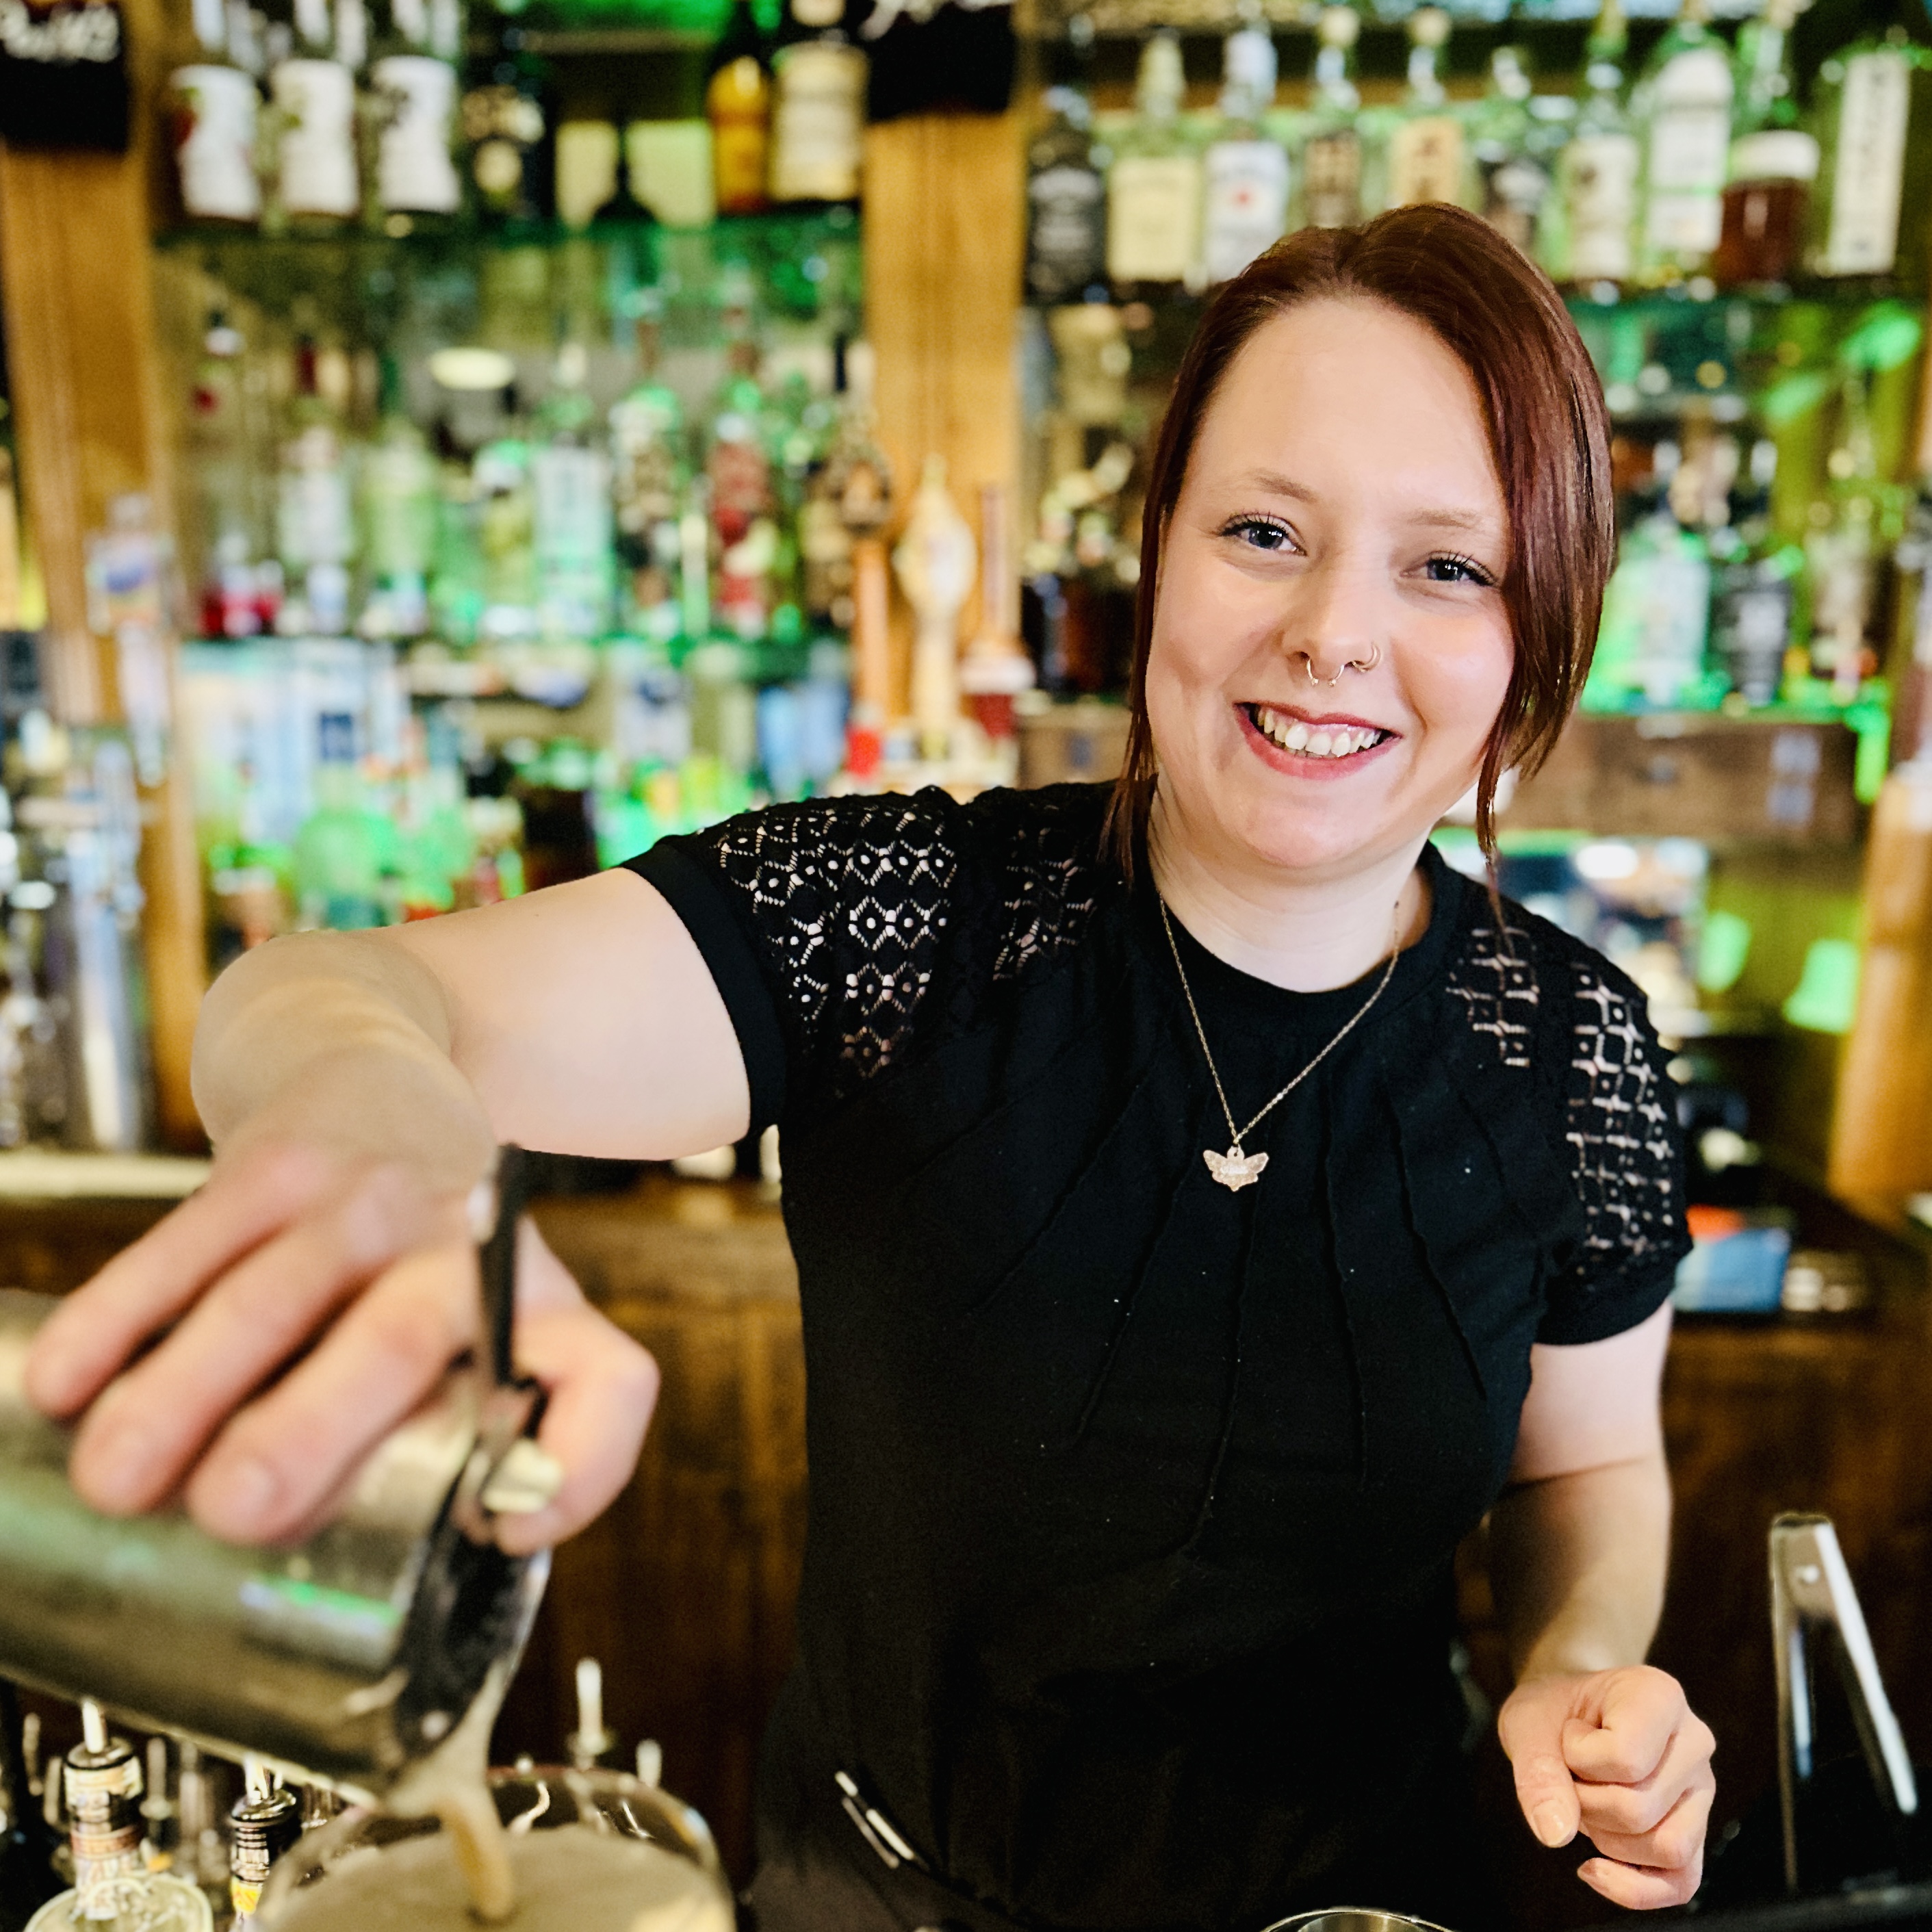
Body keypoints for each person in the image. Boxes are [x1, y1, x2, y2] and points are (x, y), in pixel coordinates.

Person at [26, 205, 1714, 1930]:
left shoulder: (1572, 1047)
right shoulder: (916, 919)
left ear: (1537, 632)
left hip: (1362, 1907)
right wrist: (376, 1132)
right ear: (1155, 557)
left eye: (1448, 566)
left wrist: (1577, 1667)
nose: (1332, 632)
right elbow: (329, 990)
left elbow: (1580, 1463)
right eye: (1263, 529)